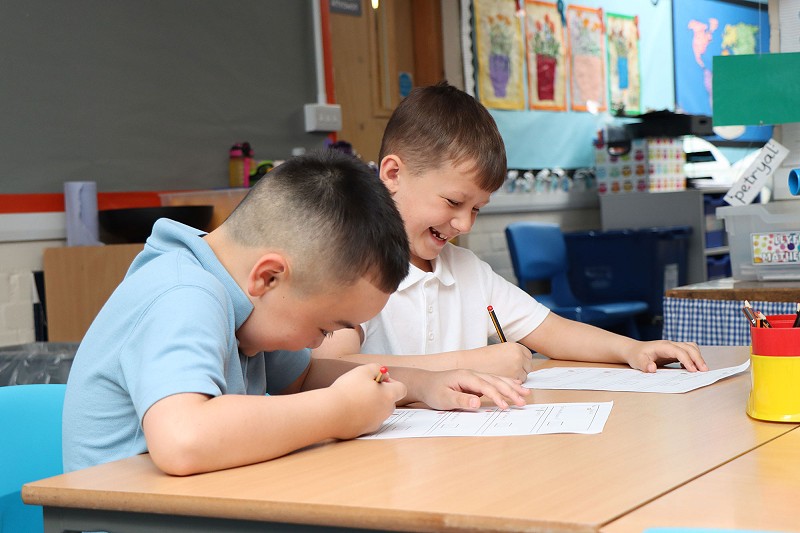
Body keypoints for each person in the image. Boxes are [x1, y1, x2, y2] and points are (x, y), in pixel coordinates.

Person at [62, 150, 529, 476]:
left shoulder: (244, 305)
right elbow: (183, 440)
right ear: (268, 278)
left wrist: (421, 385)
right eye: (326, 327)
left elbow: (301, 378)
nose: (318, 342)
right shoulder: (184, 293)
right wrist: (337, 412)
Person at [312, 83, 707, 380]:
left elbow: (551, 330)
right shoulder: (354, 269)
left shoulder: (466, 270)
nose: (465, 224)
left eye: (477, 209)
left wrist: (632, 348)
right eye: (453, 202)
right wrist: (465, 363)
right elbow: (330, 367)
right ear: (393, 174)